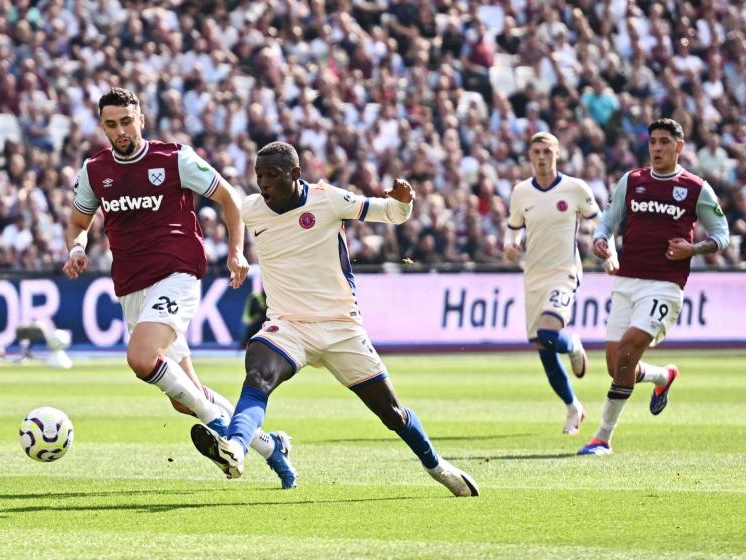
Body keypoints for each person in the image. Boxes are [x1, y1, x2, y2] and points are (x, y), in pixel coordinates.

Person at [190, 141, 479, 497]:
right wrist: (234, 253)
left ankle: (439, 467)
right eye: (259, 176)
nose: (264, 184)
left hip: (340, 326)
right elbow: (226, 211)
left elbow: (392, 214)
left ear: (295, 174)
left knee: (392, 414)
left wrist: (404, 201)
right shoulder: (251, 209)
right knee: (258, 374)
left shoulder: (329, 200)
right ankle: (235, 448)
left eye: (273, 176)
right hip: (289, 325)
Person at [61, 88, 295, 487]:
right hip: (131, 288)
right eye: (112, 124)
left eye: (127, 121)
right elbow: (79, 222)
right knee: (186, 396)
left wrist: (236, 252)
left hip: (177, 274)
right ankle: (271, 447)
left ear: (141, 119)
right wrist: (76, 248)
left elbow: (230, 198)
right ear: (102, 127)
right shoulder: (94, 171)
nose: (121, 131)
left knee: (140, 358)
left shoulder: (173, 159)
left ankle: (223, 427)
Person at [579, 118, 730, 455]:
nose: (657, 148)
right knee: (616, 363)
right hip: (627, 281)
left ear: (680, 146)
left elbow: (722, 235)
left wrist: (693, 248)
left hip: (665, 285)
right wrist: (602, 240)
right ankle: (663, 377)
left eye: (665, 142)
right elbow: (609, 220)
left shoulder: (695, 188)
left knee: (628, 351)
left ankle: (602, 436)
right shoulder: (632, 181)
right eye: (653, 142)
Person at [504, 132, 598, 435]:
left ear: (557, 153)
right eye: (536, 152)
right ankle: (573, 407)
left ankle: (573, 345)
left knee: (548, 334)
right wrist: (511, 244)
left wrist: (604, 246)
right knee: (543, 348)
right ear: (530, 156)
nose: (541, 157)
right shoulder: (521, 192)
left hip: (564, 272)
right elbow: (513, 227)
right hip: (534, 276)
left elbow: (600, 220)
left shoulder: (575, 189)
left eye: (547, 151)